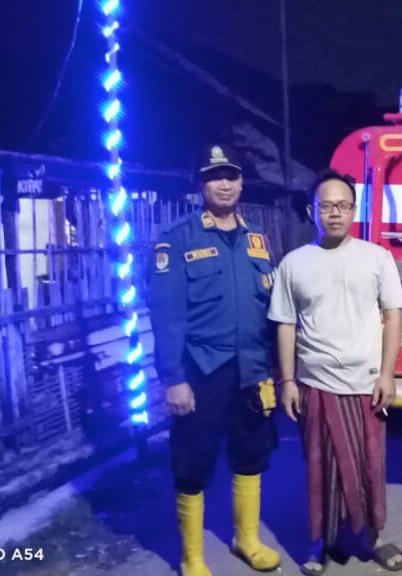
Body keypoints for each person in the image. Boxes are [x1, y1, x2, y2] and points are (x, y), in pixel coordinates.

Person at [148, 144, 281, 576]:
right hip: (201, 372)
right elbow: (166, 315)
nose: (224, 183)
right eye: (214, 176)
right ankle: (193, 557)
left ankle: (246, 539)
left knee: (251, 454)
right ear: (200, 184)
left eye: (231, 175)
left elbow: (274, 307)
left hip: (253, 370)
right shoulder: (177, 239)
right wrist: (173, 378)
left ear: (241, 182)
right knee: (193, 461)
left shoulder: (258, 238)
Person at [269, 171, 402, 576]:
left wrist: (388, 373)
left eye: (343, 205)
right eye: (326, 205)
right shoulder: (294, 263)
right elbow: (285, 324)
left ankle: (372, 537)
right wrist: (288, 380)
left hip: (366, 386)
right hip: (316, 386)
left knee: (369, 467)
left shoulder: (376, 257)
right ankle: (319, 541)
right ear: (313, 211)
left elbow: (393, 316)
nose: (334, 213)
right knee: (318, 468)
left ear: (355, 210)